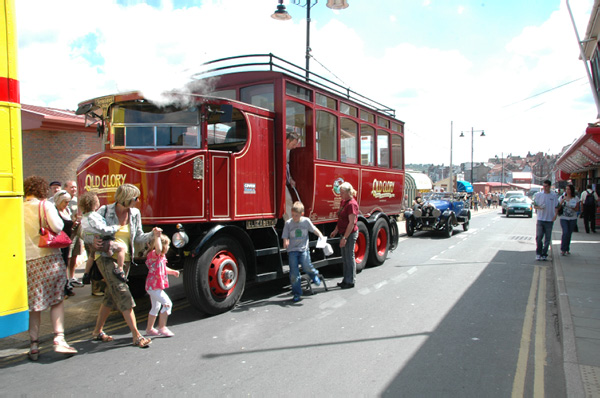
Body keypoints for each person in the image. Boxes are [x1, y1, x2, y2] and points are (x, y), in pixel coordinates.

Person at [87, 183, 156, 348]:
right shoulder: (104, 211)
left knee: (111, 296)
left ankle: (97, 331)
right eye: (135, 198)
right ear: (126, 199)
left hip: (124, 260)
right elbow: (87, 231)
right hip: (105, 257)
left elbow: (138, 237)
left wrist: (152, 234)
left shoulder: (135, 213)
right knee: (123, 293)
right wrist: (92, 240)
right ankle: (136, 336)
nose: (138, 201)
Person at [23, 176, 77, 360]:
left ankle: (34, 345)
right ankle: (59, 339)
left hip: (28, 261)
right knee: (56, 299)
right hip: (48, 258)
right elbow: (58, 225)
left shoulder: (17, 208)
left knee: (35, 304)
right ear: (41, 189)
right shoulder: (44, 205)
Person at [81, 192, 128, 283]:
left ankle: (86, 273)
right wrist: (115, 228)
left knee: (91, 255)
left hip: (93, 241)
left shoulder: (84, 217)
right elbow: (102, 229)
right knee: (121, 249)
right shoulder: (93, 216)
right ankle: (120, 269)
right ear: (94, 204)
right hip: (102, 240)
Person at [282, 201, 323, 302]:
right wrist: (285, 241)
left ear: (302, 214)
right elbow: (285, 236)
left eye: (296, 215)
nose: (294, 217)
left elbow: (314, 229)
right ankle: (297, 293)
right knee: (294, 274)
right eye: (292, 215)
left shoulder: (306, 221)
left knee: (306, 266)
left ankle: (314, 275)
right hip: (292, 251)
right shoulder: (288, 223)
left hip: (303, 249)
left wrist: (321, 235)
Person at [145, 229, 180, 336]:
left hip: (155, 287)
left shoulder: (161, 257)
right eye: (168, 245)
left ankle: (149, 329)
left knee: (155, 307)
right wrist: (158, 237)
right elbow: (159, 249)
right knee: (168, 304)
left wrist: (172, 272)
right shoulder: (153, 255)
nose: (169, 247)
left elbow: (163, 268)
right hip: (153, 287)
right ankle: (162, 327)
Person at [330, 182, 359, 289]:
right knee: (345, 257)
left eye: (342, 192)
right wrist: (336, 230)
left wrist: (345, 238)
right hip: (343, 232)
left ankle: (350, 280)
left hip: (350, 234)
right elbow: (341, 218)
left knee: (349, 257)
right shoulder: (343, 202)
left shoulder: (352, 204)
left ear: (348, 192)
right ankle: (345, 279)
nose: (340, 194)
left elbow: (351, 223)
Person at [53, 190, 76, 297]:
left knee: (65, 264)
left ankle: (66, 287)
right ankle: (61, 290)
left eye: (68, 202)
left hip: (66, 241)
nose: (67, 204)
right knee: (60, 265)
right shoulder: (54, 211)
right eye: (65, 202)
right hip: (59, 242)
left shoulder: (67, 210)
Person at [64, 180, 84, 286]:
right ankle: (66, 278)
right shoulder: (64, 201)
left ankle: (72, 277)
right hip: (68, 233)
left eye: (75, 187)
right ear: (66, 188)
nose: (74, 189)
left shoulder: (77, 201)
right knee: (68, 255)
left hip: (77, 231)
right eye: (71, 187)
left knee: (75, 254)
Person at [533, 179, 559, 261]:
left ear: (549, 186)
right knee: (539, 237)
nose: (544, 187)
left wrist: (555, 215)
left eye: (546, 186)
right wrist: (539, 207)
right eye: (543, 186)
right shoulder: (539, 195)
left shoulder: (553, 195)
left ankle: (544, 254)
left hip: (549, 220)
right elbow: (535, 205)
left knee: (547, 239)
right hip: (540, 219)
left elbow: (557, 206)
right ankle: (538, 253)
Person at [559, 184, 580, 255]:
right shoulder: (561, 197)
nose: (567, 191)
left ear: (572, 190)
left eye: (569, 189)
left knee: (569, 233)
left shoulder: (575, 198)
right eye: (566, 189)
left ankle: (567, 248)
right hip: (564, 218)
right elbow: (558, 207)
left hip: (572, 218)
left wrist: (572, 207)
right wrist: (562, 201)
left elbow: (577, 209)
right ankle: (563, 249)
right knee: (565, 232)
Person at [284, 132, 301, 221]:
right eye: (293, 144)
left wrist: (289, 178)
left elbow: (286, 165)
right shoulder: (282, 149)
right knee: (288, 201)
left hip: (284, 181)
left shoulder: (288, 150)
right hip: (280, 182)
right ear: (287, 141)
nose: (294, 147)